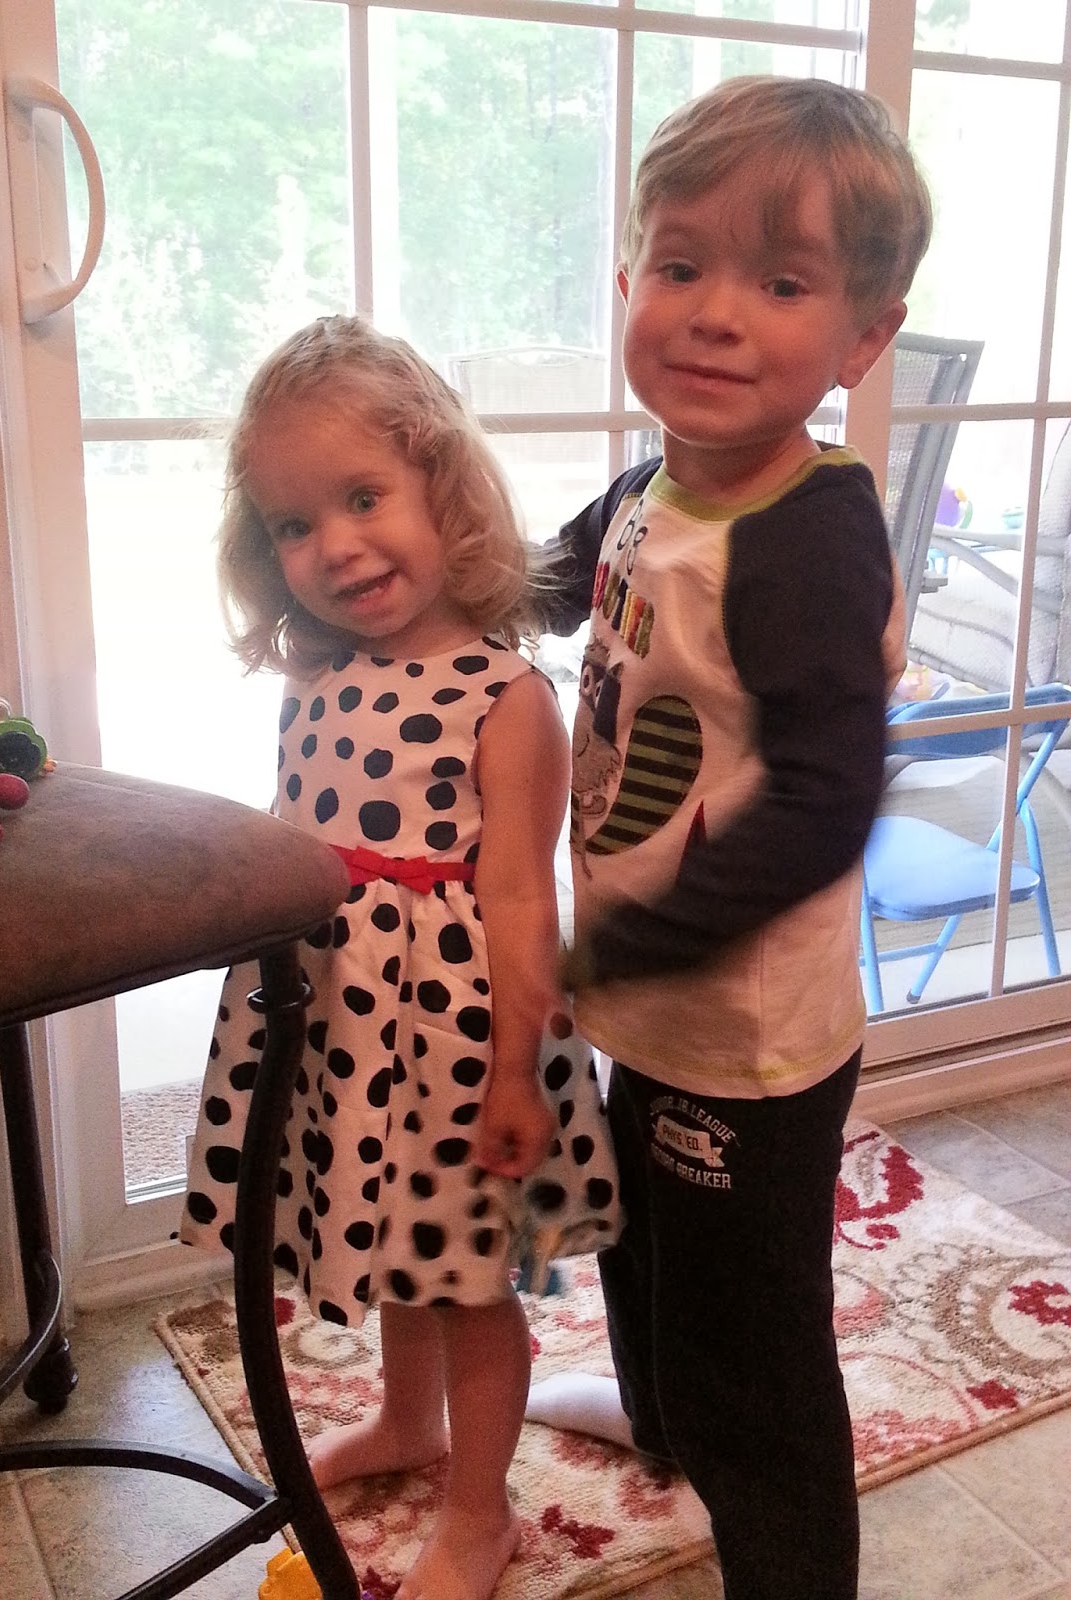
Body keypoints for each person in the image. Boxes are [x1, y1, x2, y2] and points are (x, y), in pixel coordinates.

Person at [523, 76, 932, 1600]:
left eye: (781, 284)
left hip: (746, 1045)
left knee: (754, 1361)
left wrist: (630, 937)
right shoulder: (652, 489)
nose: (713, 315)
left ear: (864, 336)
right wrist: (433, 581)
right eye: (681, 265)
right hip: (650, 1001)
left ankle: (774, 1542)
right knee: (638, 1245)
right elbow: (548, 580)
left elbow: (827, 799)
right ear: (629, 277)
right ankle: (656, 1420)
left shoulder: (806, 538)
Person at [180, 315, 620, 1600]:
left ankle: (481, 1511)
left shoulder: (506, 697)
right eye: (295, 523)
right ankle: (407, 1420)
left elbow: (522, 905)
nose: (335, 545)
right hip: (339, 1023)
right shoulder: (314, 674)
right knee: (387, 1240)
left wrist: (515, 1074)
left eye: (364, 497)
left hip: (458, 1039)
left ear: (445, 489)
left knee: (471, 1279)